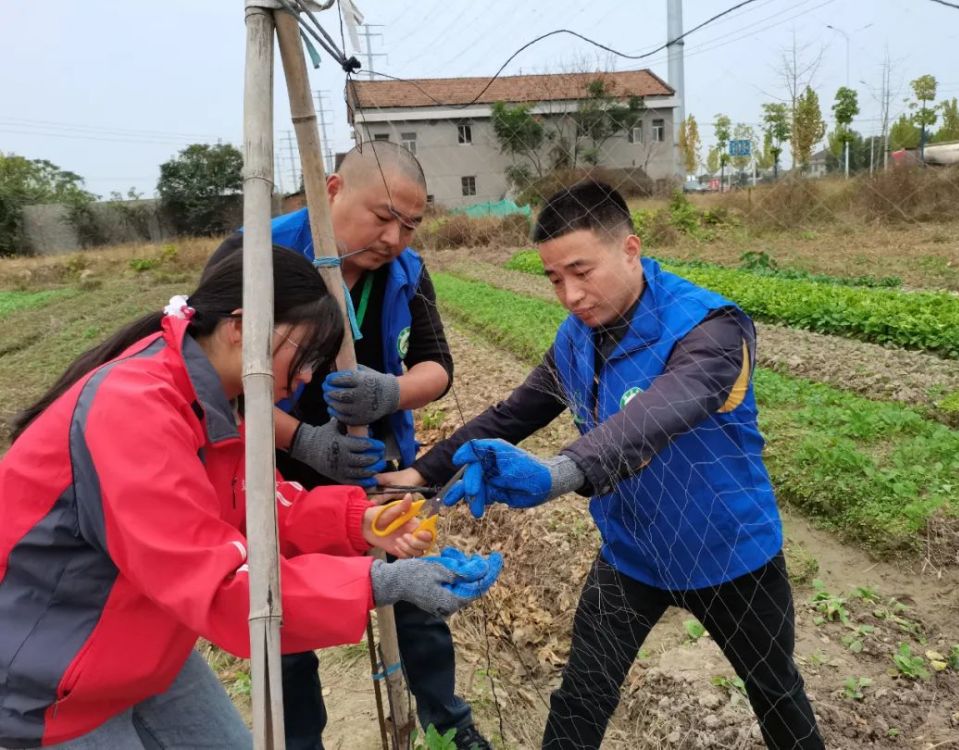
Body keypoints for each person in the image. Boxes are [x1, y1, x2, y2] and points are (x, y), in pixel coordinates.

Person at [380, 181, 826, 749]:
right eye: (554, 278)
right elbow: (517, 410)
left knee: (776, 694)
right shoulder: (577, 339)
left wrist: (558, 472)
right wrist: (424, 472)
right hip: (631, 553)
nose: (569, 294)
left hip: (728, 553)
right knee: (583, 697)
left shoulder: (710, 328)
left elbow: (660, 414)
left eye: (581, 271)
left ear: (630, 250)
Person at [0, 245, 501, 749]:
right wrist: (380, 583)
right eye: (304, 356)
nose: (307, 377)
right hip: (46, 679)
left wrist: (360, 521)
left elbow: (259, 503)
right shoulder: (135, 410)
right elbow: (214, 582)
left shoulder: (213, 396)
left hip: (142, 647)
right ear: (239, 327)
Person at [207, 141, 490, 750]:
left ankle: (448, 724)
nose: (394, 237)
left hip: (375, 463)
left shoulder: (405, 272)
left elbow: (436, 367)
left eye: (410, 224)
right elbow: (222, 387)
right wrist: (305, 441)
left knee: (416, 587)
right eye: (382, 216)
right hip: (274, 469)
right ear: (330, 189)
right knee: (283, 613)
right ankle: (299, 740)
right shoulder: (255, 256)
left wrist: (390, 392)